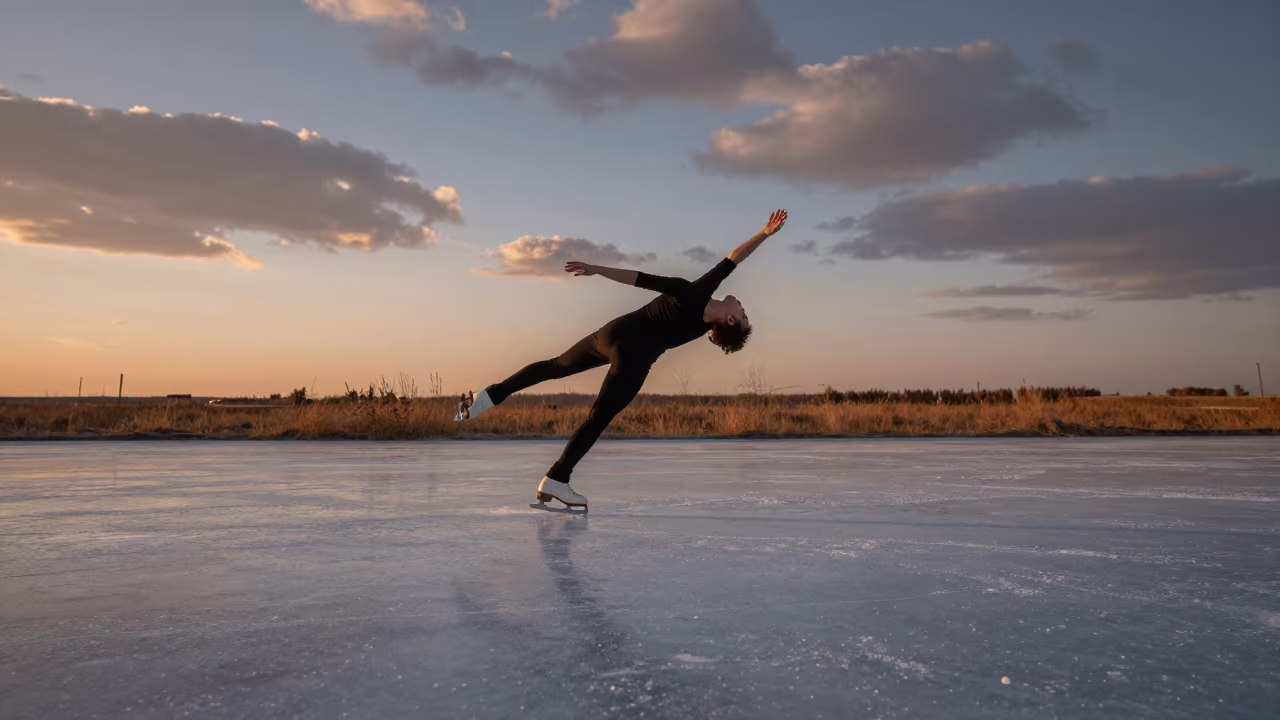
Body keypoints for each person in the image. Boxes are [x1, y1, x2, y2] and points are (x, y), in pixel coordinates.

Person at [455, 209, 788, 511]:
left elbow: (644, 277)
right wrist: (764, 234)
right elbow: (728, 262)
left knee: (554, 365)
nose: (742, 307)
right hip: (633, 358)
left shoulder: (696, 292)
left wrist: (596, 270)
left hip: (611, 334)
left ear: (729, 321)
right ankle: (557, 478)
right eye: (744, 313)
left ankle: (487, 397)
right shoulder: (701, 322)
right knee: (597, 419)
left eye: (742, 315)